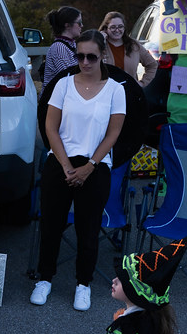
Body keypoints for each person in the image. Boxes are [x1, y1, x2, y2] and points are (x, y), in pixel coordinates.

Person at [31, 30, 126, 311]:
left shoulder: (115, 90)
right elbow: (50, 127)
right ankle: (44, 279)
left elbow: (113, 133)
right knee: (51, 224)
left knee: (88, 228)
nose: (84, 62)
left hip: (95, 165)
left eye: (91, 56)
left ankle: (83, 284)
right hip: (60, 161)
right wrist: (66, 166)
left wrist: (89, 166)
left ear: (103, 55)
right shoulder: (63, 84)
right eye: (79, 56)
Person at [99, 11, 158, 87]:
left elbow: (152, 64)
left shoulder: (134, 45)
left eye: (120, 26)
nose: (117, 30)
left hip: (129, 93)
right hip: (105, 93)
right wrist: (100, 42)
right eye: (113, 27)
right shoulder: (99, 45)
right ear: (105, 29)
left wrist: (142, 83)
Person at [41, 6, 83, 87]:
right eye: (79, 22)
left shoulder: (72, 45)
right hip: (55, 97)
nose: (82, 25)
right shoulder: (59, 48)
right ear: (67, 25)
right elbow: (69, 77)